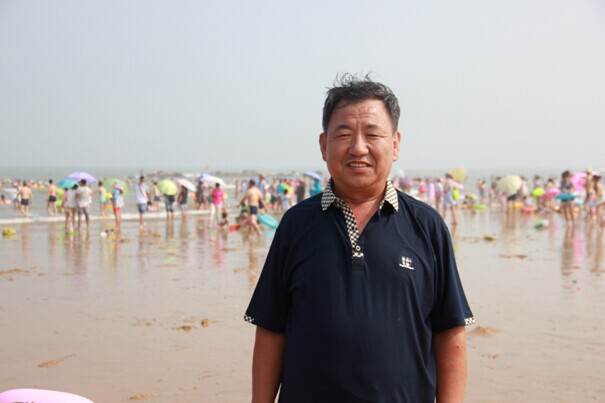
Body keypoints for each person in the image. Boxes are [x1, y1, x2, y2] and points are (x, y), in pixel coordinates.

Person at [245, 75, 474, 403]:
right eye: (344, 134)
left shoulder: (428, 226)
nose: (358, 148)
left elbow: (450, 331)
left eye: (372, 134)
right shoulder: (295, 225)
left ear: (395, 144)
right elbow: (271, 329)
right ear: (323, 145)